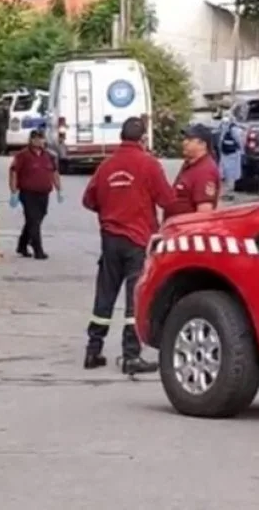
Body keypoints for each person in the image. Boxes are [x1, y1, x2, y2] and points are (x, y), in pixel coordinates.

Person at [81, 117, 175, 375]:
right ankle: (131, 355)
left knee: (105, 294)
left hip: (110, 239)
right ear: (143, 138)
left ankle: (93, 349)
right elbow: (167, 199)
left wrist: (111, 207)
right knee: (135, 298)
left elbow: (88, 200)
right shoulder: (149, 164)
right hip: (138, 240)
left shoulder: (107, 166)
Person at [9, 129, 62, 259]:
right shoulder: (22, 155)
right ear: (31, 140)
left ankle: (22, 245)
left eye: (41, 138)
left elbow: (54, 173)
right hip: (28, 193)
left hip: (43, 193)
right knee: (33, 220)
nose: (38, 141)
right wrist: (13, 191)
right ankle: (38, 249)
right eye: (35, 138)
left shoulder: (49, 156)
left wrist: (59, 189)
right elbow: (14, 172)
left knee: (37, 218)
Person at [164, 123, 221, 219]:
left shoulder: (205, 171)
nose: (184, 142)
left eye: (189, 140)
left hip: (187, 231)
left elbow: (204, 212)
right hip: (176, 228)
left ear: (202, 144)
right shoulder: (190, 164)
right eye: (185, 139)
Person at [216, 114, 243, 200]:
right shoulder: (223, 128)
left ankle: (229, 193)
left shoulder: (234, 129)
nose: (225, 123)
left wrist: (241, 150)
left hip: (232, 154)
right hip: (225, 154)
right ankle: (225, 193)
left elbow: (239, 141)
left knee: (230, 174)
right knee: (224, 173)